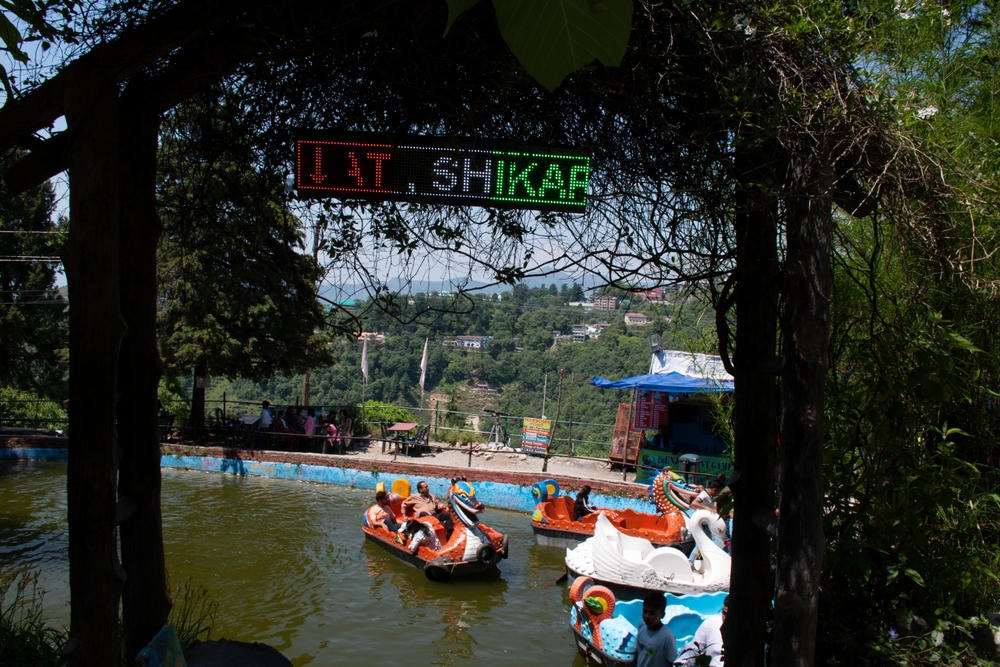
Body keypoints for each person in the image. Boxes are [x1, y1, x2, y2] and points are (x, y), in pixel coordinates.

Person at [678, 596, 726, 666]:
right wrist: (682, 661)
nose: (725, 618)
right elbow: (694, 648)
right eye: (724, 613)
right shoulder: (712, 623)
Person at [636, 591, 677, 667]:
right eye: (645, 611)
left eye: (652, 613)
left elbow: (673, 662)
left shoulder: (668, 638)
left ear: (662, 615)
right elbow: (638, 652)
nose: (647, 616)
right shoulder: (641, 625)